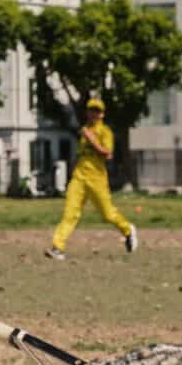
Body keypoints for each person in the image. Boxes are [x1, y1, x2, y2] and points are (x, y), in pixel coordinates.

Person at [45, 97, 138, 260]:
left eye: (96, 110)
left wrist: (92, 139)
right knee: (70, 213)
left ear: (102, 114)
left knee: (108, 214)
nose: (93, 113)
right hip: (79, 177)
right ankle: (57, 248)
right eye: (91, 110)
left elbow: (107, 154)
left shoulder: (105, 132)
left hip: (97, 178)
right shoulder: (84, 130)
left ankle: (128, 230)